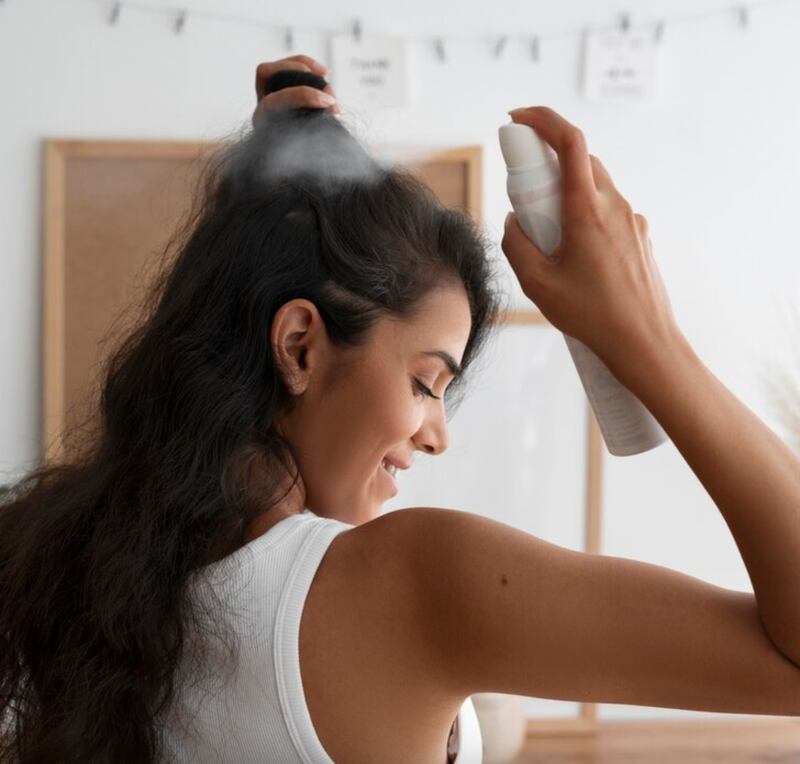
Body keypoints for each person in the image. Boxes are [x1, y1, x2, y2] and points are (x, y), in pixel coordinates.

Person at [1, 54, 798, 764]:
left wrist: (269, 197)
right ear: (301, 347)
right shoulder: (411, 585)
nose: (437, 434)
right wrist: (649, 340)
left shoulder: (70, 561)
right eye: (425, 382)